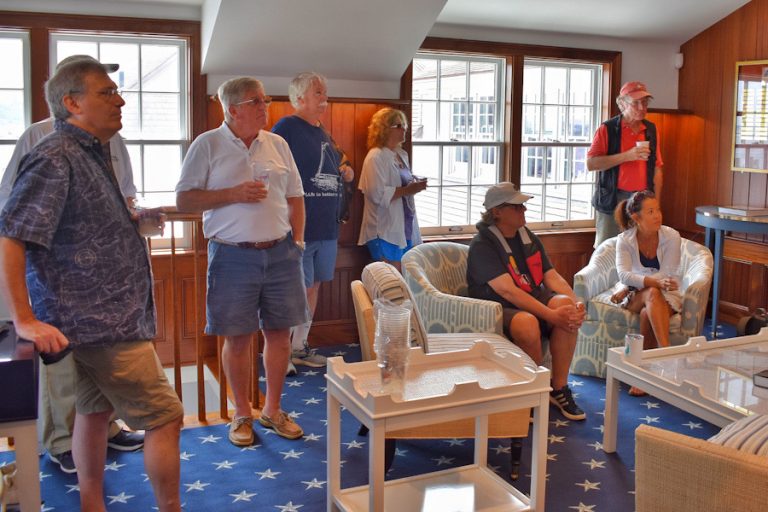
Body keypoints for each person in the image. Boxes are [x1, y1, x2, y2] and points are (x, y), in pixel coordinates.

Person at [0, 58, 183, 511]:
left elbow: (75, 226)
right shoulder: (54, 156)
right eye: (107, 93)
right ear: (72, 102)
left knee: (94, 411)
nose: (120, 100)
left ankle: (91, 504)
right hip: (100, 323)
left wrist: (131, 219)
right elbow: (12, 234)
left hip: (106, 317)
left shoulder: (91, 152)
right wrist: (23, 319)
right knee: (165, 414)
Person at [175, 77, 308, 446]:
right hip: (232, 255)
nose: (265, 106)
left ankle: (274, 410)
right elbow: (185, 200)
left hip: (282, 253)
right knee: (237, 337)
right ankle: (242, 413)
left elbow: (296, 196)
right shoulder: (208, 144)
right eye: (257, 101)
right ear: (233, 109)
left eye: (265, 99)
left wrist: (297, 241)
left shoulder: (278, 143)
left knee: (280, 334)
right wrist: (233, 193)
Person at [466, 182, 587, 421]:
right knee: (527, 323)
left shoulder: (527, 236)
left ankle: (558, 388)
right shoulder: (482, 245)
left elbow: (550, 275)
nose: (524, 210)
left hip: (530, 296)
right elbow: (509, 292)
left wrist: (575, 302)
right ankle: (531, 389)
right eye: (517, 206)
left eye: (523, 205)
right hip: (498, 307)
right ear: (497, 212)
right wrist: (550, 316)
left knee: (565, 307)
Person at [272, 72, 354, 375]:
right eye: (318, 92)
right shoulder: (286, 129)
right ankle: (285, 353)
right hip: (299, 228)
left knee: (315, 286)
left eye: (325, 92)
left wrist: (345, 171)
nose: (324, 98)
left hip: (327, 226)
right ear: (299, 98)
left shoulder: (322, 132)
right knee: (298, 289)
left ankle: (300, 346)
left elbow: (334, 163)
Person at [610, 190, 682, 396]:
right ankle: (666, 356)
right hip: (634, 294)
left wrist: (647, 282)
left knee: (646, 312)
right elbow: (624, 275)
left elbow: (669, 272)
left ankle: (641, 374)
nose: (658, 215)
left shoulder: (672, 236)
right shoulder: (624, 240)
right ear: (636, 217)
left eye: (658, 209)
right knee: (651, 292)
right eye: (651, 211)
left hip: (665, 294)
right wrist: (647, 283)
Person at [587, 81, 664, 247]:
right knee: (606, 250)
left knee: (639, 249)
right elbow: (591, 163)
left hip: (643, 200)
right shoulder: (607, 129)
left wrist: (656, 203)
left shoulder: (651, 130)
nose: (642, 107)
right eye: (636, 103)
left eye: (644, 102)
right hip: (613, 200)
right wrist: (627, 156)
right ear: (622, 104)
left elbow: (657, 169)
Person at [357, 108, 427, 270]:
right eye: (399, 125)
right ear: (384, 128)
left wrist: (415, 183)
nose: (404, 129)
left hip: (404, 228)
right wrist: (410, 189)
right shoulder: (375, 157)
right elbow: (377, 195)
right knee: (391, 282)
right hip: (384, 230)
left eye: (405, 125)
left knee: (405, 279)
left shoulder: (401, 154)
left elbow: (402, 182)